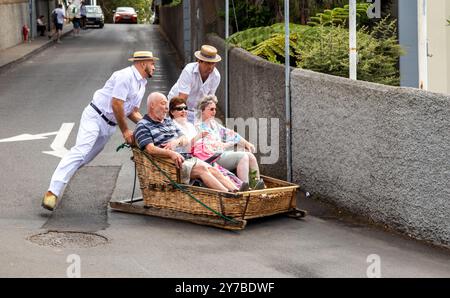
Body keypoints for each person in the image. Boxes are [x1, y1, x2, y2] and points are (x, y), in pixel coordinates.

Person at [42, 51, 158, 211]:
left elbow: (132, 111)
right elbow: (116, 104)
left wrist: (151, 125)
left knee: (84, 159)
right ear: (143, 63)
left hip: (109, 125)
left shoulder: (142, 83)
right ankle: (51, 193)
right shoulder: (125, 76)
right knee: (80, 151)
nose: (154, 67)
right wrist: (125, 131)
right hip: (95, 116)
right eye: (152, 63)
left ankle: (58, 181)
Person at [134, 92, 241, 193]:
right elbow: (150, 149)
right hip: (169, 163)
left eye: (167, 104)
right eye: (163, 104)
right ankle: (229, 196)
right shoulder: (143, 125)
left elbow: (184, 138)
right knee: (202, 169)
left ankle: (237, 191)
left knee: (214, 170)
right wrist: (171, 153)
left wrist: (176, 142)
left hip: (185, 157)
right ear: (152, 105)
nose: (166, 107)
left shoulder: (167, 122)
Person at [169, 97, 244, 190]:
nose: (184, 111)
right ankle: (231, 193)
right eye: (179, 109)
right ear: (172, 112)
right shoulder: (172, 127)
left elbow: (227, 134)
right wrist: (198, 139)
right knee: (217, 170)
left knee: (222, 172)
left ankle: (239, 190)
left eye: (185, 108)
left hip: (202, 156)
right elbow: (184, 148)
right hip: (188, 159)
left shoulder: (190, 126)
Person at [196, 95, 265, 189]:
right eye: (211, 109)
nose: (214, 112)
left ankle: (255, 185)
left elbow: (231, 134)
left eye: (215, 109)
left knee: (250, 156)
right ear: (202, 110)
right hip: (211, 158)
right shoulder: (198, 126)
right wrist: (224, 145)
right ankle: (244, 188)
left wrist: (246, 143)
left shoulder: (214, 125)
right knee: (243, 156)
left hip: (220, 154)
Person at [167, 45, 221, 123]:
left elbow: (209, 101)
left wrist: (208, 119)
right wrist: (181, 121)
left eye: (213, 63)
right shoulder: (189, 70)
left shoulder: (216, 76)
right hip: (177, 106)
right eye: (208, 63)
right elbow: (182, 98)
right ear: (199, 61)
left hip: (196, 111)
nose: (211, 67)